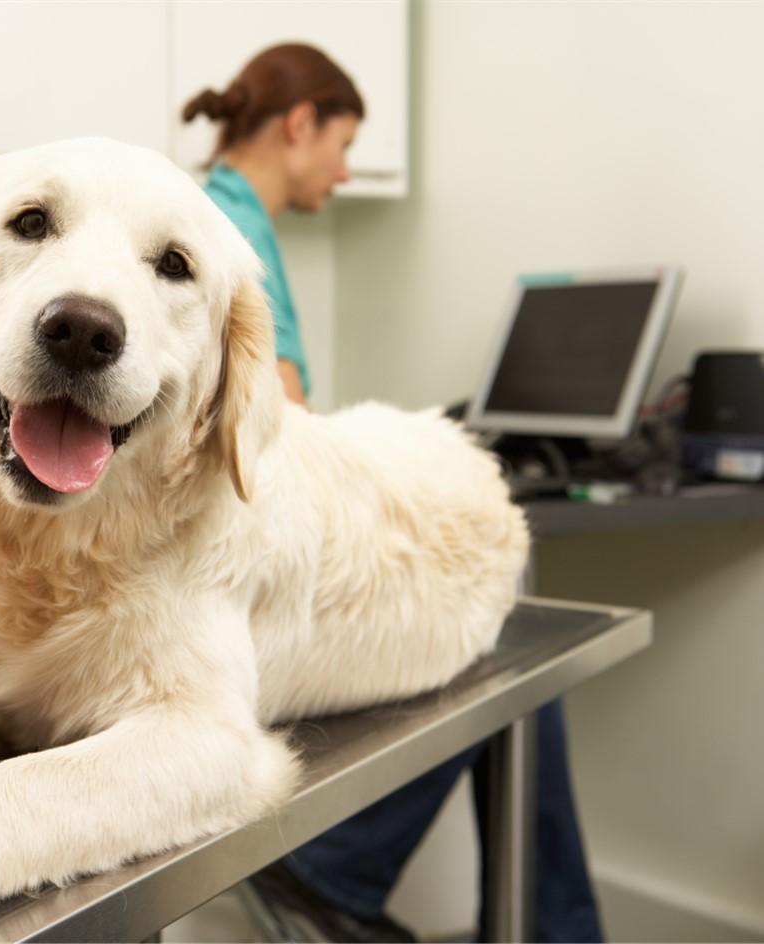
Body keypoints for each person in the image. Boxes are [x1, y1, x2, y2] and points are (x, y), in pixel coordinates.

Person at [183, 44, 604, 943]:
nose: (343, 169)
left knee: (497, 622)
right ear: (299, 125)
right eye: (341, 143)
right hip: (227, 589)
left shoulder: (214, 215)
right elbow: (277, 441)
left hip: (218, 569)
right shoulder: (230, 234)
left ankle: (371, 879)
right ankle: (338, 871)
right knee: (496, 613)